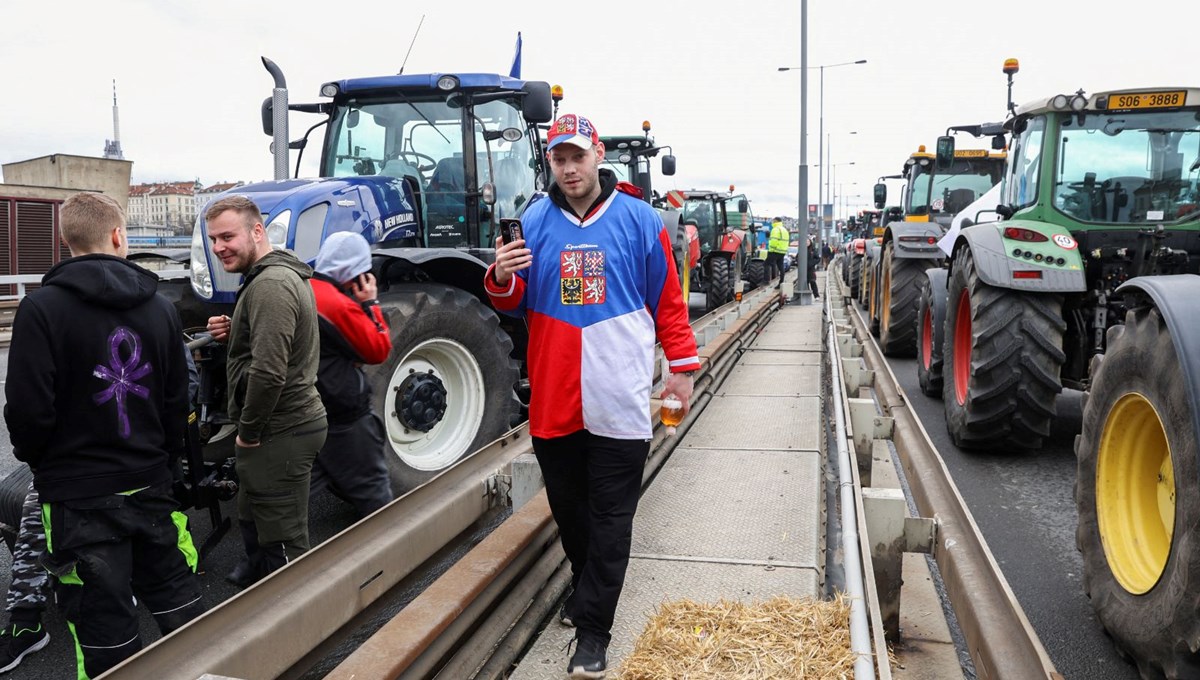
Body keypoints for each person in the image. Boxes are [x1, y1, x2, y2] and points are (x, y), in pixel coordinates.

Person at [485, 113, 700, 679]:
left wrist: (681, 366)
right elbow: (512, 304)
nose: (570, 167)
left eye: (578, 156)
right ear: (550, 162)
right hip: (556, 398)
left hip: (619, 397)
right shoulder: (533, 221)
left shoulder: (639, 219)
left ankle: (593, 630)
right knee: (570, 511)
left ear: (598, 154)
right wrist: (502, 278)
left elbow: (668, 302)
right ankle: (587, 589)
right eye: (559, 158)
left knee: (611, 517)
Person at [3, 192, 204, 678]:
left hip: (76, 498)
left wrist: (47, 466)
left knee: (101, 625)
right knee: (186, 610)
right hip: (151, 485)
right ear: (119, 236)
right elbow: (180, 400)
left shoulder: (41, 310)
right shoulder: (160, 309)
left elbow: (27, 411)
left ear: (64, 240)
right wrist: (166, 458)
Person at [204, 195, 327, 587]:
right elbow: (268, 348)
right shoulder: (265, 278)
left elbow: (270, 372)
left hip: (279, 429)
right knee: (251, 509)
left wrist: (248, 433)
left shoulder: (271, 286)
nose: (219, 247)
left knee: (284, 539)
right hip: (272, 427)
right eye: (213, 239)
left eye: (227, 236)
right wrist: (234, 332)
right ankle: (256, 577)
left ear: (257, 231)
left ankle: (294, 617)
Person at [309, 231, 394, 517]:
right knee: (375, 499)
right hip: (344, 418)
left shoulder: (305, 288)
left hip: (307, 415)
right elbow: (378, 349)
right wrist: (371, 305)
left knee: (291, 504)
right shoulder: (337, 304)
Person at [765, 217, 788, 288]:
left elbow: (773, 241)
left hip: (775, 251)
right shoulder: (784, 230)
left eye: (773, 221)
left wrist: (771, 249)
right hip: (782, 251)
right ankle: (781, 282)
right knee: (781, 267)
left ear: (776, 221)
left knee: (766, 264)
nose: (772, 222)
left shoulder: (775, 229)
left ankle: (766, 281)